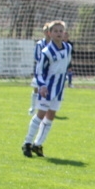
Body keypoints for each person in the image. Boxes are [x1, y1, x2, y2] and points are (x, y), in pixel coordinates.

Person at [22, 20, 72, 158]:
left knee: (51, 116)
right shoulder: (46, 51)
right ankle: (27, 143)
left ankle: (38, 144)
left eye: (61, 31)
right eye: (55, 31)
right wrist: (42, 86)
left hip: (60, 88)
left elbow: (66, 64)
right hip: (48, 88)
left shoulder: (68, 47)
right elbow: (39, 72)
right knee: (41, 114)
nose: (59, 33)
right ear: (49, 33)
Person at [28, 23, 50, 115]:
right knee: (36, 89)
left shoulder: (54, 44)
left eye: (48, 31)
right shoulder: (40, 44)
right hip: (40, 71)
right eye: (45, 31)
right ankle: (33, 107)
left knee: (49, 89)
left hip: (50, 72)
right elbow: (37, 57)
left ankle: (45, 108)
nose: (47, 33)